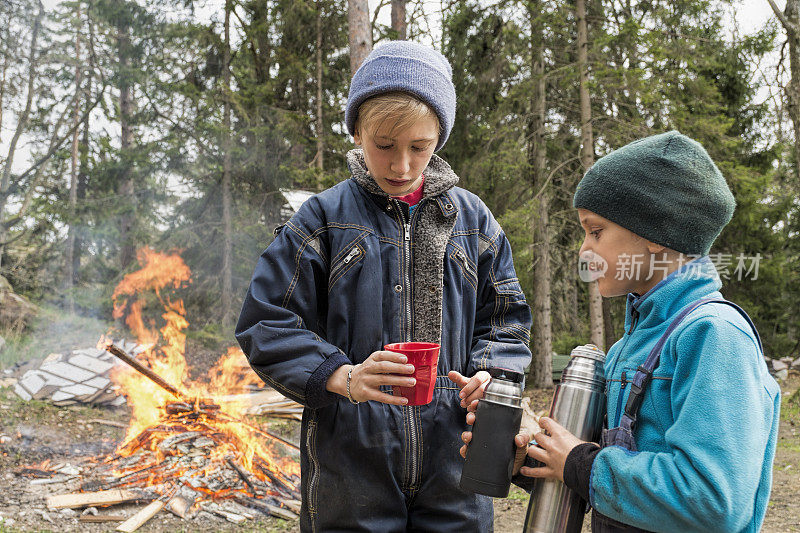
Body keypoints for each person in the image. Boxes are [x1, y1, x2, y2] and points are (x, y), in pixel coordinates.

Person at [235, 40, 532, 532]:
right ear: (356, 132)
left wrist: (491, 378)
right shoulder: (323, 220)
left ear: (440, 136)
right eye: (384, 146)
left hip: (457, 461)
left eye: (420, 147)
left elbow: (506, 322)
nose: (402, 166)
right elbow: (266, 320)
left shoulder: (473, 220)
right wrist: (342, 377)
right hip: (349, 465)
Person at [459, 131, 780, 532]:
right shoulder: (627, 349)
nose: (583, 250)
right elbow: (592, 474)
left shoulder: (715, 336)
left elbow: (714, 500)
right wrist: (528, 453)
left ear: (656, 237)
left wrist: (578, 462)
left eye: (596, 232)